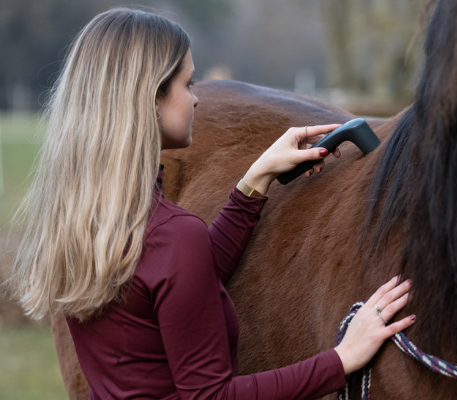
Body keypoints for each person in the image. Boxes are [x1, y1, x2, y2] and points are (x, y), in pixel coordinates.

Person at [8, 8, 415, 400]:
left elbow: (176, 287)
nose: (197, 99)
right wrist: (341, 359)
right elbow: (210, 394)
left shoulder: (86, 221)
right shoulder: (171, 234)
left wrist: (255, 181)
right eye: (187, 84)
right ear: (149, 100)